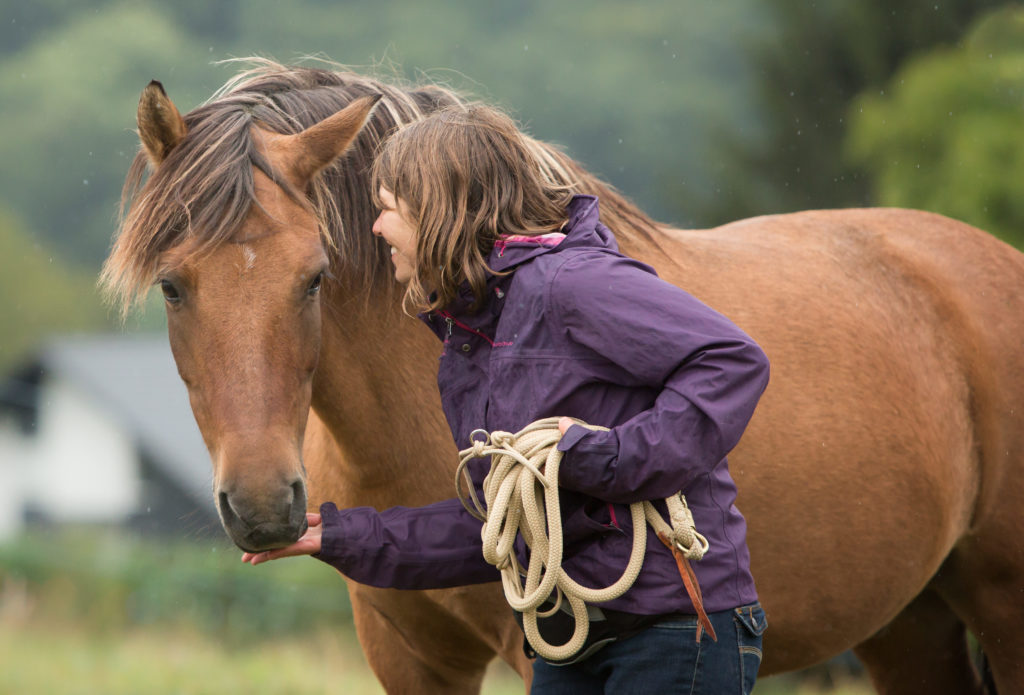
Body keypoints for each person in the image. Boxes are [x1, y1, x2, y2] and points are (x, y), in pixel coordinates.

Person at [242, 105, 770, 694]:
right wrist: (340, 537)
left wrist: (601, 459)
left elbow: (732, 360)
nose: (376, 229)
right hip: (571, 634)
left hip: (672, 629)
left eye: (387, 207)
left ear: (437, 208)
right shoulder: (473, 340)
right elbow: (501, 522)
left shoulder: (574, 283)